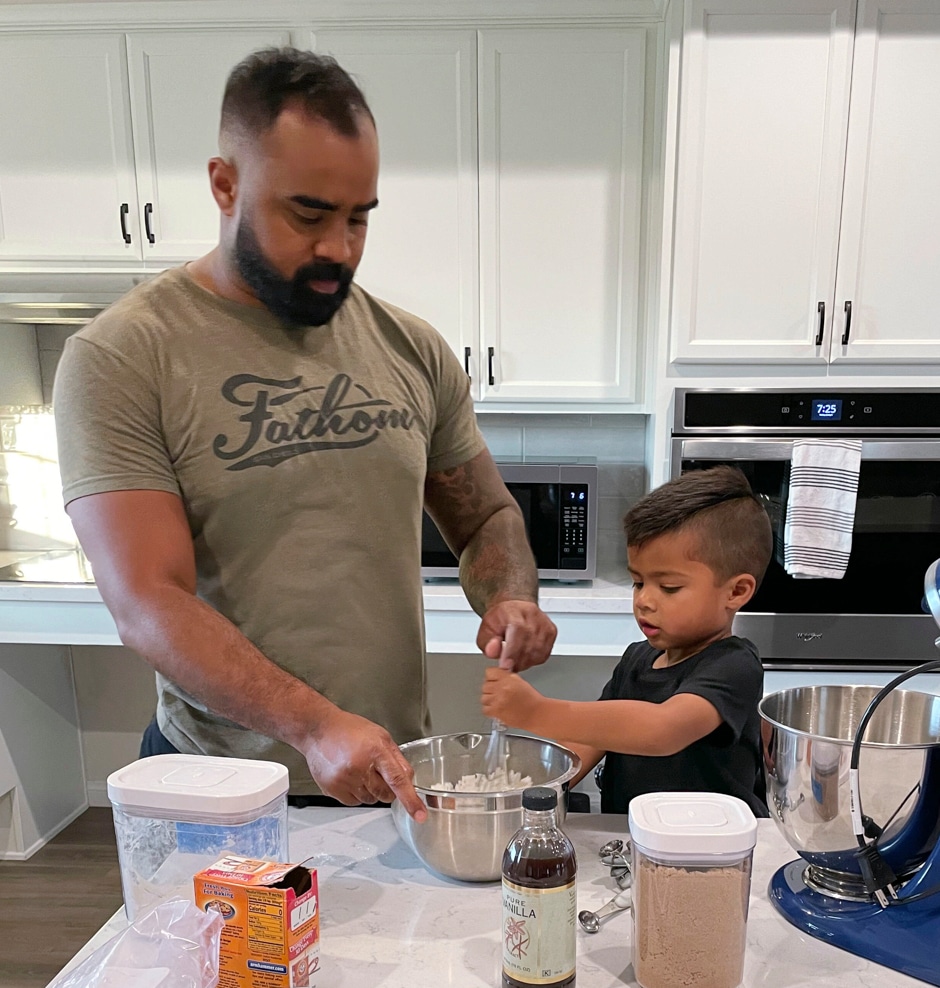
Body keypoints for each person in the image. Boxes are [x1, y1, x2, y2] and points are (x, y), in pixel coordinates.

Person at [52, 47, 557, 821]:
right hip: (220, 793)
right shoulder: (124, 356)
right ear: (225, 184)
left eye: (359, 218)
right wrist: (313, 725)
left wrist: (511, 598)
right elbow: (147, 600)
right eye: (308, 214)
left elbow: (485, 516)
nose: (339, 248)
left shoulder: (409, 346)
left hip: (382, 774)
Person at [482, 465, 772, 816]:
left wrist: (536, 711)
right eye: (638, 582)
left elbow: (662, 729)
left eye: (668, 587)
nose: (644, 600)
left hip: (710, 849)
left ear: (736, 591)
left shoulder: (734, 665)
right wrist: (536, 793)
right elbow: (592, 740)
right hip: (633, 841)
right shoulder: (637, 658)